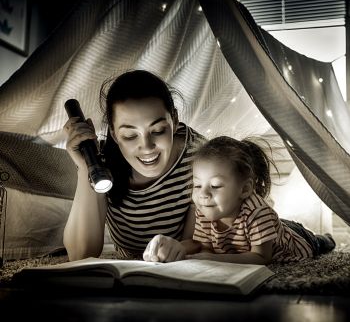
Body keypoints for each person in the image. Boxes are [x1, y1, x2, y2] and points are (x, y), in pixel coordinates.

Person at [63, 69, 206, 261]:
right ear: (114, 134)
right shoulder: (103, 164)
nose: (147, 147)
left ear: (174, 120)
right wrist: (84, 168)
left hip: (177, 264)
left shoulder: (199, 157)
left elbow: (201, 242)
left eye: (158, 130)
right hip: (128, 267)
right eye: (130, 135)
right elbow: (81, 254)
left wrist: (180, 249)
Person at [143, 136, 336, 264]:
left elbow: (261, 257)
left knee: (318, 243)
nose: (203, 194)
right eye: (197, 185)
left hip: (294, 238)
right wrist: (178, 249)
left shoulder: (258, 213)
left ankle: (325, 237)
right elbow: (204, 246)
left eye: (216, 186)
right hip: (268, 230)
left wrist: (215, 259)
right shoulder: (205, 208)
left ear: (244, 189)